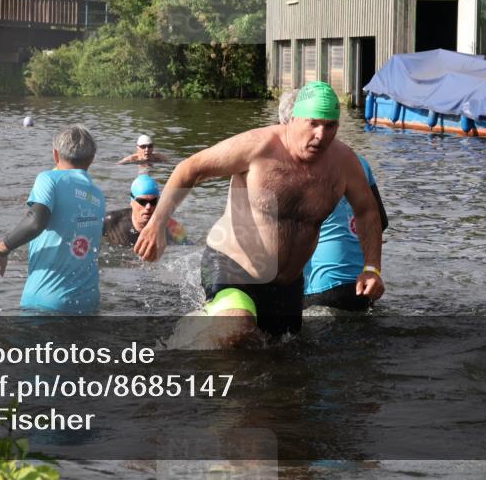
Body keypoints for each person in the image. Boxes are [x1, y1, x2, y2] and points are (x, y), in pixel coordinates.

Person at [135, 81, 383, 340]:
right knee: (236, 329)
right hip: (235, 268)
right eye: (313, 123)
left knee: (280, 362)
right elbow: (190, 168)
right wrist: (157, 224)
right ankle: (202, 331)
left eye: (330, 126)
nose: (321, 135)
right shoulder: (258, 146)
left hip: (287, 284)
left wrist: (372, 268)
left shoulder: (344, 163)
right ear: (294, 119)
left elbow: (367, 211)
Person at [276, 89, 389, 311]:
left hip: (319, 288)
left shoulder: (288, 168)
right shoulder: (358, 162)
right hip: (363, 286)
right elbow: (379, 222)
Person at [0, 125, 106, 314]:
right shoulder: (97, 195)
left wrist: (0, 250)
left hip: (47, 303)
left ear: (55, 155)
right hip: (89, 302)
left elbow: (35, 221)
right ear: (92, 158)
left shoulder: (48, 179)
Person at [103, 175, 188, 247]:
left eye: (153, 202)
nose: (148, 206)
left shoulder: (173, 228)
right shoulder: (111, 222)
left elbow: (189, 249)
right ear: (132, 201)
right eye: (142, 202)